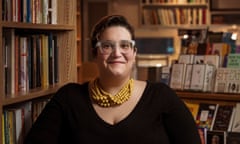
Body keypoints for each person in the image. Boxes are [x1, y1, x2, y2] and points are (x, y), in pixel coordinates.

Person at [24, 15, 201, 144]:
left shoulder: (161, 97)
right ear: (94, 54)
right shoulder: (69, 97)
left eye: (125, 45)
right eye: (107, 46)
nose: (117, 53)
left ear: (134, 53)